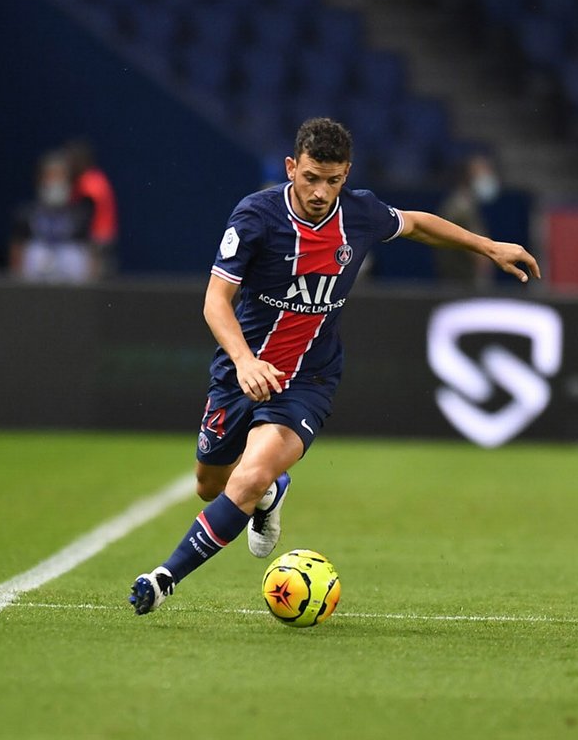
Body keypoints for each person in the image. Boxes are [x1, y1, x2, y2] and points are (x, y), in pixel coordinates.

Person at [128, 118, 539, 614]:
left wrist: (489, 246)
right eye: (311, 178)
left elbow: (417, 222)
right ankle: (271, 494)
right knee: (209, 484)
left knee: (248, 476)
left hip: (309, 379)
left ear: (347, 174)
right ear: (291, 168)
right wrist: (243, 360)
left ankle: (164, 578)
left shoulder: (359, 214)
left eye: (334, 180)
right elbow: (216, 300)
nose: (322, 192)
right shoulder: (255, 217)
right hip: (244, 371)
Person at [9, 152, 96, 283]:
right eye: (50, 177)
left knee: (71, 254)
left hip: (71, 285)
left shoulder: (80, 216)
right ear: (40, 180)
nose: (55, 182)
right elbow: (16, 255)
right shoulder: (26, 214)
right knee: (36, 252)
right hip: (35, 281)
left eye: (60, 176)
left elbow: (90, 256)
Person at [435, 153, 502, 286]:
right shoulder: (461, 208)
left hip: (458, 283)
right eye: (483, 173)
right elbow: (480, 255)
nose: (489, 177)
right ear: (468, 177)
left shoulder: (463, 203)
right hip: (462, 285)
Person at [64, 138, 118, 276]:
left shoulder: (89, 183)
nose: (69, 164)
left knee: (93, 286)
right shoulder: (95, 178)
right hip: (100, 241)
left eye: (72, 160)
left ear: (82, 161)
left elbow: (83, 219)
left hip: (96, 244)